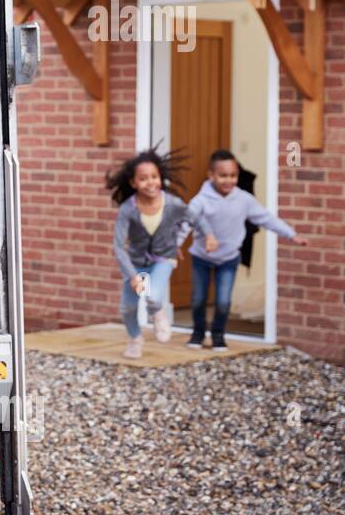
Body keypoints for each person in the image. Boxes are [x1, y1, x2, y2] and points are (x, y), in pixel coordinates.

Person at [185, 149, 306, 352]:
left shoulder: (244, 199)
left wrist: (290, 234)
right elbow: (185, 223)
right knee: (198, 299)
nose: (228, 180)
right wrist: (171, 247)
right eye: (223, 175)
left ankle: (218, 336)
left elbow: (266, 218)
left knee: (223, 301)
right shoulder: (200, 201)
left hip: (229, 258)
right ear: (211, 175)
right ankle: (197, 333)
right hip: (201, 257)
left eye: (233, 176)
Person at [105, 148, 212, 360]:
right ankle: (135, 339)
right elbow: (119, 246)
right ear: (134, 183)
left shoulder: (171, 204)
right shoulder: (129, 209)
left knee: (153, 297)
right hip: (136, 264)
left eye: (154, 177)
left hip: (163, 259)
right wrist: (132, 275)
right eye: (143, 179)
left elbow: (195, 218)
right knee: (128, 307)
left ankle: (159, 315)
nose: (150, 182)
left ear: (160, 178)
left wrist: (209, 235)